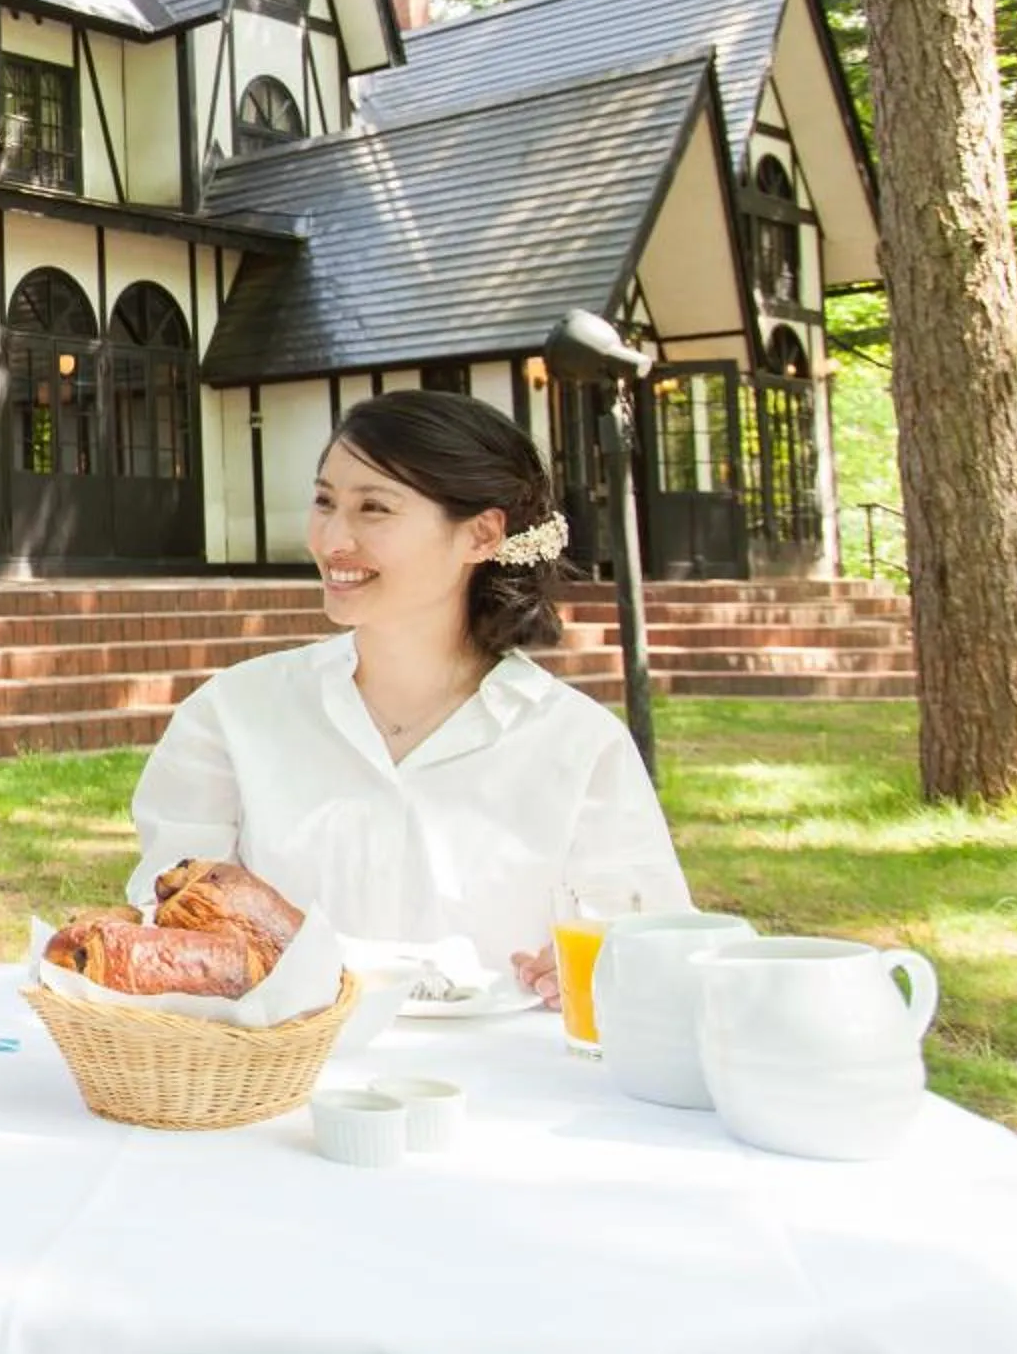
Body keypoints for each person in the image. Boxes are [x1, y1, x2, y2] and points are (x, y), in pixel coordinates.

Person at [124, 388, 690, 1002]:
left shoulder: (577, 744)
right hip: (279, 1081)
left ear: (481, 535)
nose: (332, 539)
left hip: (510, 1085)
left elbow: (648, 944)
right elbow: (167, 923)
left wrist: (599, 963)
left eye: (374, 508)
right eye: (324, 501)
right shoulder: (234, 714)